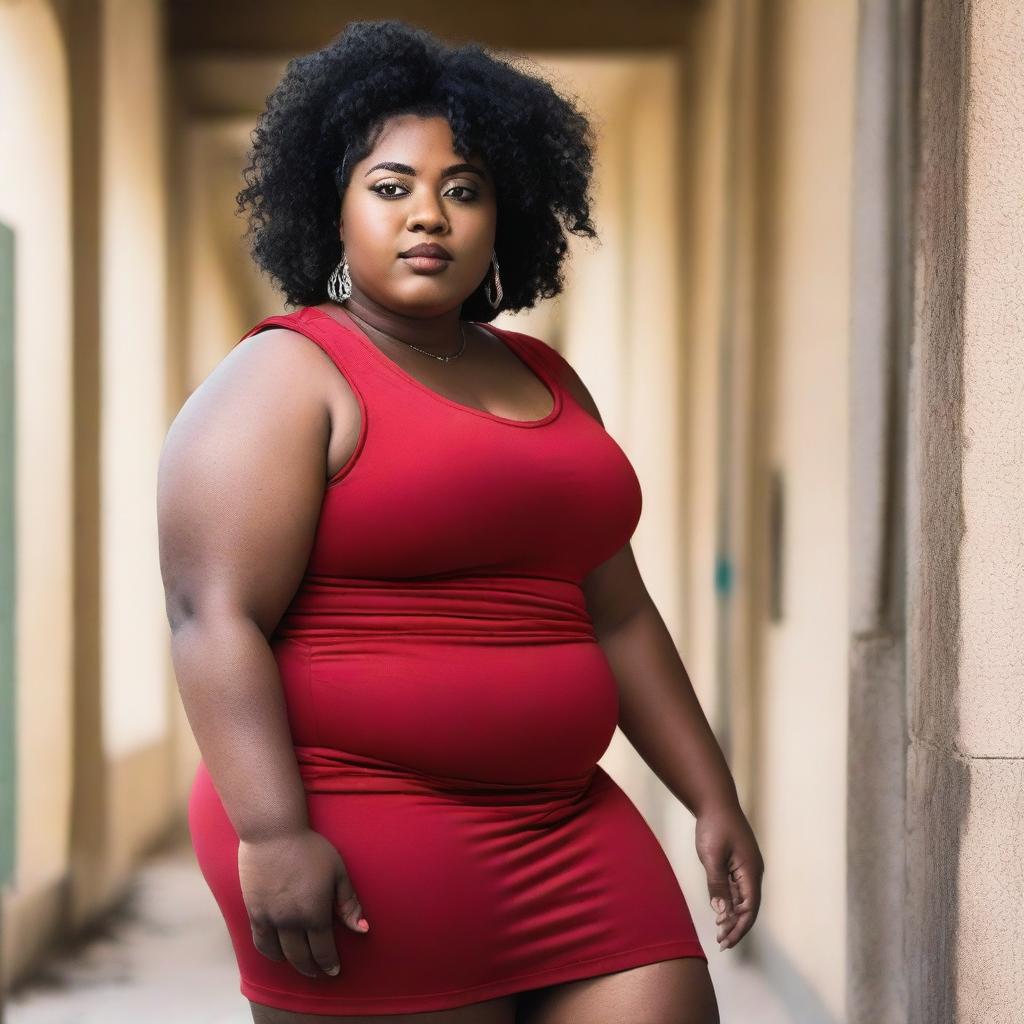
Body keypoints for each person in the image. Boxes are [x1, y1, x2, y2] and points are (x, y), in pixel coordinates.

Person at [157, 18, 763, 1024]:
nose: (428, 215)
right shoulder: (285, 376)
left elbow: (616, 612)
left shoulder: (545, 377)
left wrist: (711, 794)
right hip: (357, 819)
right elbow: (210, 615)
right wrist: (271, 833)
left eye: (463, 188)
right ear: (333, 208)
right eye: (390, 186)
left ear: (503, 216)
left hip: (568, 825)